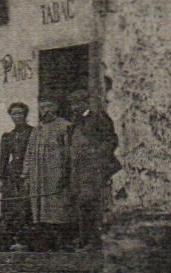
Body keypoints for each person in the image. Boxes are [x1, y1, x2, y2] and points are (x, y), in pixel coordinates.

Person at [67, 87, 119, 250]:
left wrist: (97, 156)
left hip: (94, 169)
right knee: (81, 205)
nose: (75, 107)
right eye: (73, 104)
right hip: (79, 171)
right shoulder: (74, 123)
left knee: (93, 204)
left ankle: (95, 241)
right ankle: (84, 240)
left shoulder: (98, 119)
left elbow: (111, 140)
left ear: (86, 102)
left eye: (78, 103)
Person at [24, 97, 73, 248]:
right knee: (40, 208)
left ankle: (62, 241)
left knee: (57, 207)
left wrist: (67, 172)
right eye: (42, 107)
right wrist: (26, 174)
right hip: (38, 175)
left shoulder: (65, 126)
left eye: (49, 106)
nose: (46, 110)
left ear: (56, 107)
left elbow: (70, 152)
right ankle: (44, 241)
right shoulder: (36, 129)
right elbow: (29, 153)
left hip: (56, 173)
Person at [0, 102, 34, 248]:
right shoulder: (7, 136)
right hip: (12, 174)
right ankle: (10, 239)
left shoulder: (33, 132)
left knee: (26, 205)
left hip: (28, 171)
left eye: (20, 113)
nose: (17, 116)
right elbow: (3, 158)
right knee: (10, 205)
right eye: (14, 113)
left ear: (25, 115)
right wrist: (0, 178)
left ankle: (25, 240)